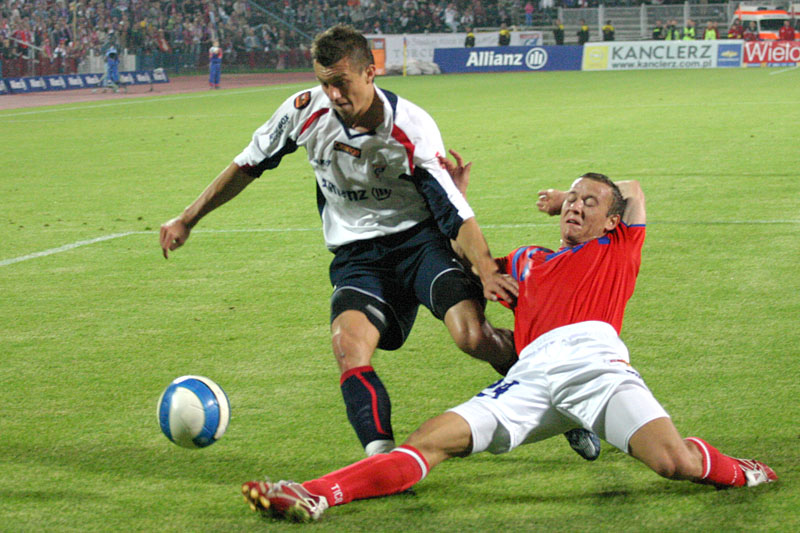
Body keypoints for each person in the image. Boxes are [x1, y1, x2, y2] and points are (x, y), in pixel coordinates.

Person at [241, 156, 777, 523]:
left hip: (595, 366)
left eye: (589, 202)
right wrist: (455, 200)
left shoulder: (617, 250)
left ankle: (744, 472)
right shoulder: (526, 260)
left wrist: (563, 196)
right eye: (574, 199)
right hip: (529, 376)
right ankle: (316, 493)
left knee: (674, 463)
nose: (577, 206)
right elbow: (462, 263)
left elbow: (633, 190)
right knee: (428, 439)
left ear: (612, 221)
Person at [161, 24, 573, 460]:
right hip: (358, 256)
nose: (333, 95)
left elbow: (455, 212)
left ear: (369, 72)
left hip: (421, 245)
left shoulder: (409, 127)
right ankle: (381, 460)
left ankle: (563, 402)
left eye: (341, 83)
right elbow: (247, 165)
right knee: (348, 348)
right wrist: (188, 219)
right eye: (324, 83)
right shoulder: (303, 111)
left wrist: (486, 270)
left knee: (474, 338)